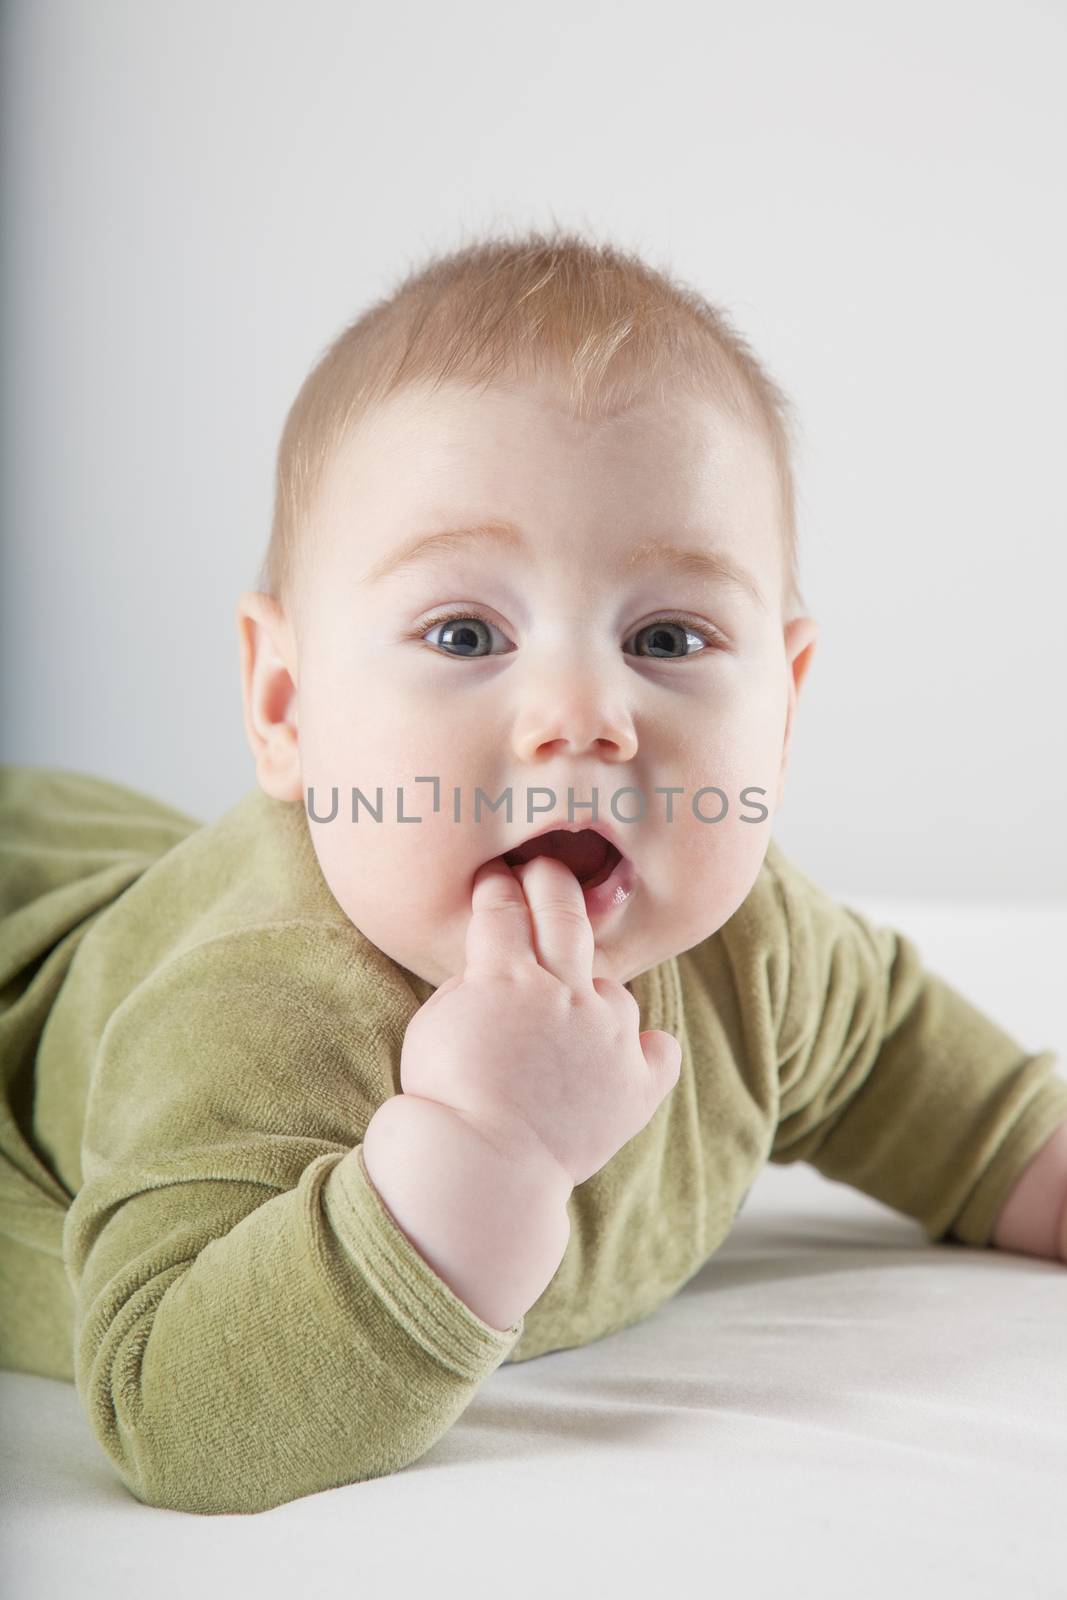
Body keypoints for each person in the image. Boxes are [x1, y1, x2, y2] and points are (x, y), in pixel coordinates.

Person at [3, 227, 1066, 1517]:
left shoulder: (757, 946)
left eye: (669, 634)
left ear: (780, 709)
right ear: (287, 703)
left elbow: (928, 1083)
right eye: (466, 632)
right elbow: (172, 1412)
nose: (583, 710)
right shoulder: (250, 1013)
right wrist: (483, 1151)